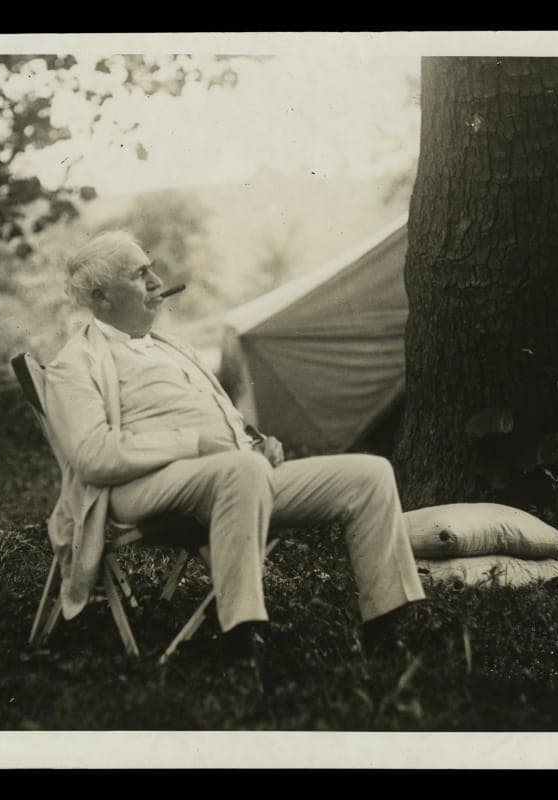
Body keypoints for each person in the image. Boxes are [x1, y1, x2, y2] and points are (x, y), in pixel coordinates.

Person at [42, 230, 425, 669]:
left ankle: (386, 629)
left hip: (234, 478)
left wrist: (254, 442)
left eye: (151, 269)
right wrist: (197, 445)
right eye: (139, 274)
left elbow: (222, 421)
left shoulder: (173, 347)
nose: (156, 281)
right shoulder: (75, 364)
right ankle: (240, 643)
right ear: (101, 297)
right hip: (139, 490)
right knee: (241, 471)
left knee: (370, 475)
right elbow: (92, 457)